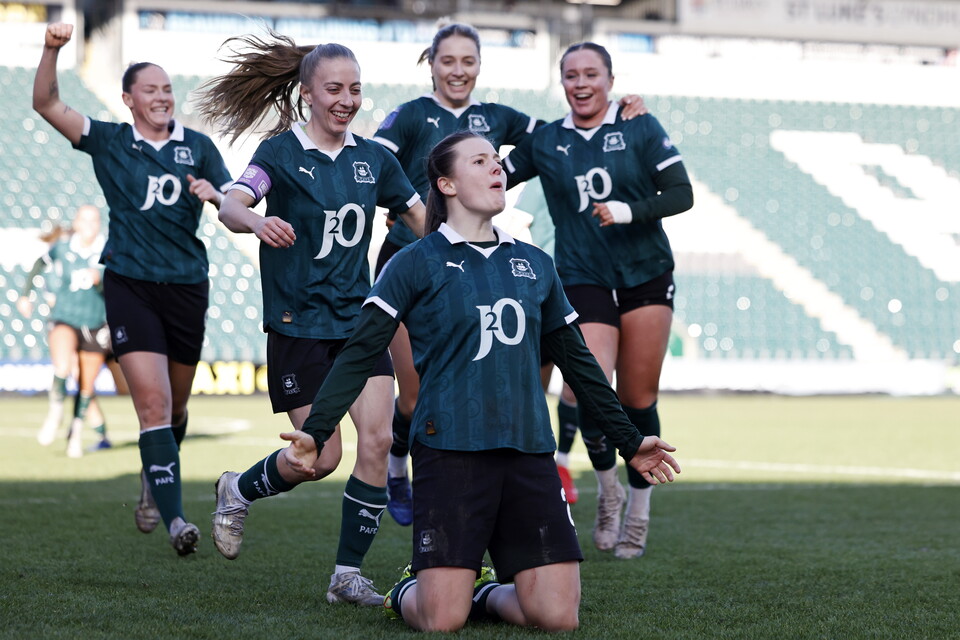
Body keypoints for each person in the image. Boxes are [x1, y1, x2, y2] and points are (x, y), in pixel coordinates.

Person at [277, 131, 681, 632]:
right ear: (445, 183)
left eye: (497, 160)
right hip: (450, 451)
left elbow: (578, 364)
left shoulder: (535, 264)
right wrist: (316, 432)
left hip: (529, 451)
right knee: (440, 619)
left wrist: (629, 441)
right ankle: (410, 588)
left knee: (557, 617)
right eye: (479, 161)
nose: (497, 169)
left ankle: (485, 592)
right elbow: (359, 354)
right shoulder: (413, 262)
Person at [371, 23, 648, 523]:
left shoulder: (497, 118)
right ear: (431, 64)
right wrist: (404, 202)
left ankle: (488, 484)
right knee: (412, 393)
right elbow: (373, 159)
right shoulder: (411, 114)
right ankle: (397, 466)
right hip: (412, 261)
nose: (458, 70)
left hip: (473, 269)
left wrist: (621, 113)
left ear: (479, 66)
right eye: (448, 60)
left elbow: (562, 137)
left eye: (468, 61)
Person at [194, 32, 425, 605]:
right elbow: (232, 202)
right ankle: (238, 488)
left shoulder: (376, 159)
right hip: (299, 328)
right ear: (307, 93)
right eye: (334, 89)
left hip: (359, 324)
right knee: (320, 457)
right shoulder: (279, 153)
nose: (346, 99)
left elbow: (423, 220)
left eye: (355, 89)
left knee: (376, 440)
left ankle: (347, 576)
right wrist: (255, 222)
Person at [33, 23, 233, 555]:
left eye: (167, 89)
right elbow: (46, 102)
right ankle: (175, 522)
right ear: (128, 100)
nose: (163, 97)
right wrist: (53, 49)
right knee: (153, 405)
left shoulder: (200, 147)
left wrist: (218, 195)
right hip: (130, 284)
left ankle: (154, 475)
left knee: (177, 410)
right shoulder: (111, 140)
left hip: (188, 285)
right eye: (151, 89)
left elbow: (237, 202)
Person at [503, 42, 694, 559]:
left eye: (591, 74)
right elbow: (496, 176)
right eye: (571, 75)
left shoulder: (639, 125)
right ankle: (607, 491)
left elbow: (681, 192)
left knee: (637, 399)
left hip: (645, 274)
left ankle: (639, 511)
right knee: (590, 386)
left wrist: (627, 211)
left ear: (610, 80)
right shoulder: (547, 139)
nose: (581, 83)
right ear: (561, 82)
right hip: (583, 274)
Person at [17, 205, 112, 457]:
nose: (90, 225)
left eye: (94, 221)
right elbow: (40, 263)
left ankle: (77, 433)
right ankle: (55, 411)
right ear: (77, 223)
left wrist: (101, 280)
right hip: (65, 316)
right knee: (62, 365)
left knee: (85, 385)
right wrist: (26, 295)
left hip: (95, 322)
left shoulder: (108, 249)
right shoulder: (64, 247)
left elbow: (119, 285)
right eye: (85, 220)